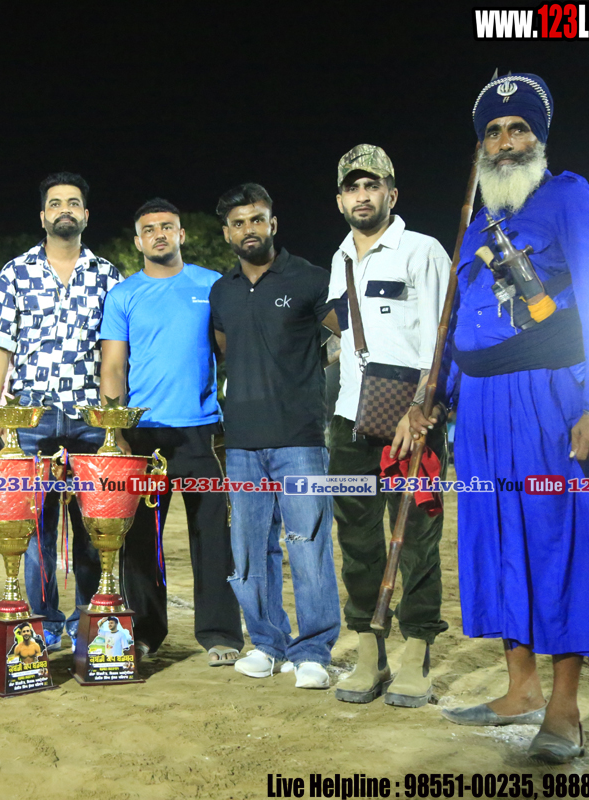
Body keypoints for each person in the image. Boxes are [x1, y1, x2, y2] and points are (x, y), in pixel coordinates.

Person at [411, 72, 589, 763]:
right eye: (492, 132)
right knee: (494, 539)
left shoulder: (571, 198)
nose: (505, 142)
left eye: (517, 129)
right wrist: (435, 398)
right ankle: (519, 689)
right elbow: (462, 325)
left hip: (550, 399)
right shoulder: (473, 226)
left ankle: (564, 708)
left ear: (539, 138)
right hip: (480, 410)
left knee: (562, 541)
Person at [319, 145, 452, 707]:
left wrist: (423, 410)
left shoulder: (423, 250)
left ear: (391, 194)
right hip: (350, 421)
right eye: (352, 187)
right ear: (340, 200)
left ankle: (417, 649)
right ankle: (370, 650)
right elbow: (342, 339)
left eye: (372, 185)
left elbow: (443, 341)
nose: (362, 195)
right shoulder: (339, 259)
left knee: (416, 536)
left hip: (411, 422)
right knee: (356, 538)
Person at [98, 198, 243, 666]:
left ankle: (220, 633)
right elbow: (113, 366)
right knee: (141, 540)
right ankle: (144, 634)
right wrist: (117, 431)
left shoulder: (212, 284)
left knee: (212, 537)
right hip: (143, 437)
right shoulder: (123, 294)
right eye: (149, 229)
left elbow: (231, 352)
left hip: (203, 435)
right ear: (138, 241)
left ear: (181, 234)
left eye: (167, 226)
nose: (158, 234)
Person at [208, 183, 341, 689]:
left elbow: (343, 339)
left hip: (300, 438)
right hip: (241, 441)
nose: (249, 229)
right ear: (227, 233)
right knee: (249, 549)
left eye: (257, 219)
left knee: (308, 545)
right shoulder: (222, 291)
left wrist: (303, 376)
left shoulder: (311, 278)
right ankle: (266, 643)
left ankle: (313, 651)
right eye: (239, 223)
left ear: (273, 224)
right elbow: (226, 348)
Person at [0, 172, 122, 651]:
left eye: (74, 202)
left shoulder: (108, 275)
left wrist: (115, 418)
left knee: (94, 525)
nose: (66, 209)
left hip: (90, 417)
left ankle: (90, 623)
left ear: (86, 214)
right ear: (43, 215)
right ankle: (43, 624)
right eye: (56, 202)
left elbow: (115, 352)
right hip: (31, 417)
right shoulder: (14, 272)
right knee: (35, 527)